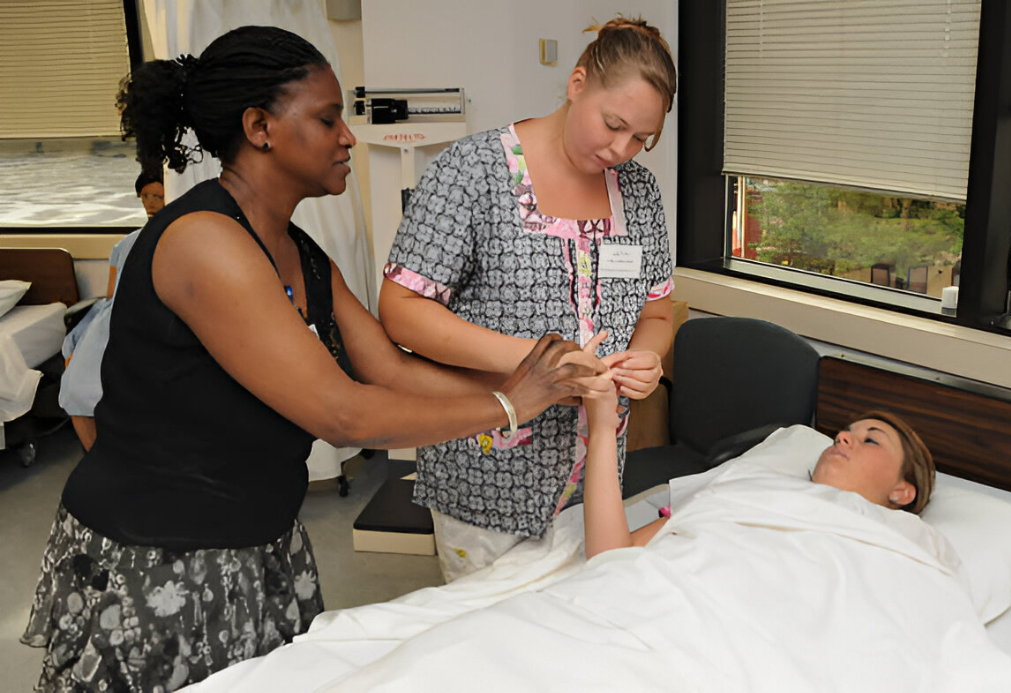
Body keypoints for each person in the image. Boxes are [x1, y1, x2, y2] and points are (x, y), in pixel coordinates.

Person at [23, 26, 607, 692]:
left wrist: (541, 382)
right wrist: (510, 404)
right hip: (162, 553)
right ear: (260, 128)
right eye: (328, 119)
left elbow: (389, 368)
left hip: (258, 538)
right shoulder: (204, 243)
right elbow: (343, 414)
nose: (348, 137)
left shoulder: (299, 251)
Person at [378, 16, 678, 581]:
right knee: (490, 625)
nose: (621, 149)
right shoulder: (472, 172)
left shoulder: (639, 193)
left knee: (579, 618)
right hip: (487, 473)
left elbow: (657, 311)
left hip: (595, 482)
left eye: (642, 138)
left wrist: (647, 356)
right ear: (577, 83)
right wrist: (540, 363)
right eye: (613, 124)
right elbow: (402, 311)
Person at [582, 375, 936, 558]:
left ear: (902, 491)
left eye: (871, 440)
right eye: (844, 433)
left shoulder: (904, 543)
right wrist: (602, 428)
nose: (843, 437)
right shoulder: (746, 490)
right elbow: (610, 556)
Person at [62, 168, 165, 450]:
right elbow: (111, 295)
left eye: (158, 196)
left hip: (151, 318)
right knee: (76, 385)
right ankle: (96, 457)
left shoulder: (181, 241)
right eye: (145, 196)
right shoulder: (124, 245)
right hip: (114, 316)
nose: (150, 203)